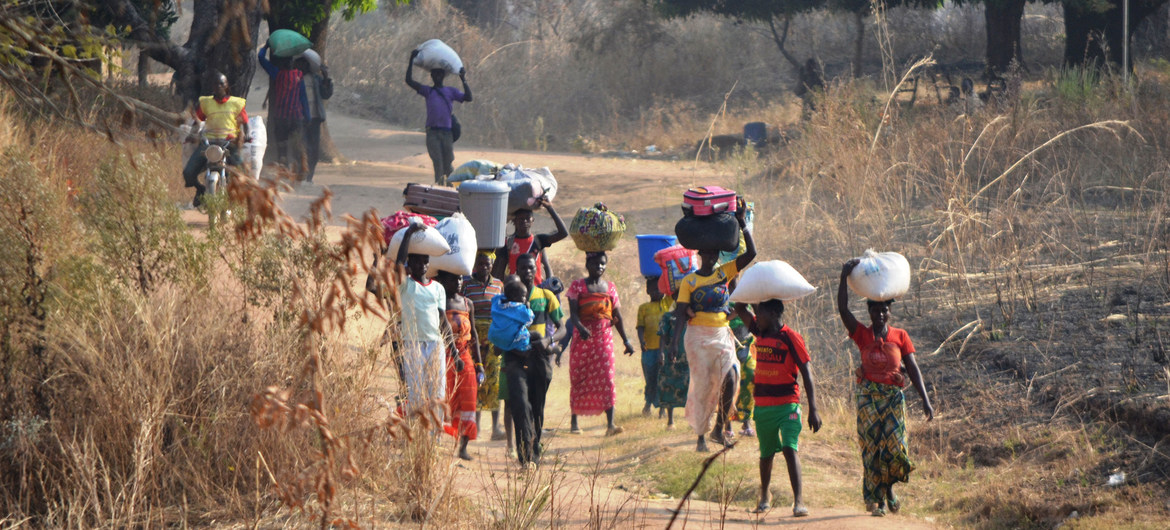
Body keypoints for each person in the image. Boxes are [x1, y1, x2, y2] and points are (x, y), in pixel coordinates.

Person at [837, 259, 934, 517]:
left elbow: (913, 369)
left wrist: (925, 399)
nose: (880, 314)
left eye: (884, 310)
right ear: (869, 311)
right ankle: (877, 499)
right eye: (875, 310)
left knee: (894, 447)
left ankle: (889, 488)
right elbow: (843, 309)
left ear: (890, 312)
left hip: (893, 399)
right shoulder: (862, 335)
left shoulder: (900, 336)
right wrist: (843, 276)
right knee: (871, 446)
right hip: (869, 399)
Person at [667, 197, 756, 452]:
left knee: (732, 375)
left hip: (721, 334)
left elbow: (751, 254)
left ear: (717, 254)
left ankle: (720, 426)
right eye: (706, 253)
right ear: (699, 254)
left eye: (714, 253)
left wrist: (742, 224)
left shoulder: (724, 273)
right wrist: (673, 345)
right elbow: (682, 314)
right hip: (696, 337)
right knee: (703, 386)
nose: (710, 256)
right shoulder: (689, 282)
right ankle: (701, 436)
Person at [734, 300, 822, 518]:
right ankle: (764, 496)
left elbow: (806, 372)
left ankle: (798, 501)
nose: (756, 316)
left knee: (790, 448)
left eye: (760, 312)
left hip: (788, 405)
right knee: (766, 454)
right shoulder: (758, 330)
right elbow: (739, 308)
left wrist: (814, 408)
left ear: (774, 314)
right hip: (763, 407)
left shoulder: (790, 337)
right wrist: (752, 294)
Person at [502, 254, 566, 466]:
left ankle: (534, 452)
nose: (527, 272)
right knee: (520, 405)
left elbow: (562, 327)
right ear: (517, 271)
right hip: (514, 358)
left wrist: (549, 340)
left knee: (537, 407)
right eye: (523, 269)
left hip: (539, 356)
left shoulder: (546, 296)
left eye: (531, 268)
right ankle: (525, 457)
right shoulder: (508, 297)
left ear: (536, 270)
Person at [566, 252, 634, 436]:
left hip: (604, 339)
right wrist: (580, 327)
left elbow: (617, 317)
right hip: (582, 339)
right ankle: (574, 421)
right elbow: (573, 314)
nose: (600, 267)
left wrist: (626, 341)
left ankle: (610, 424)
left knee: (607, 378)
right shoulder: (577, 286)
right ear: (587, 264)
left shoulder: (610, 288)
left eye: (603, 264)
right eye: (596, 263)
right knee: (579, 377)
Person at [393, 222, 456, 417]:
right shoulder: (405, 285)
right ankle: (415, 437)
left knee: (436, 392)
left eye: (425, 262)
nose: (422, 266)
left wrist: (454, 351)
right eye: (417, 262)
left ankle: (433, 440)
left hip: (435, 344)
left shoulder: (438, 288)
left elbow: (443, 320)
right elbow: (397, 265)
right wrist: (409, 234)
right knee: (415, 393)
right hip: (412, 344)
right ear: (409, 265)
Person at [464, 251, 511, 452]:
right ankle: (477, 426)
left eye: (488, 264)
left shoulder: (499, 285)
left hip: (493, 337)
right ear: (475, 265)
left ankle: (495, 427)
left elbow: (502, 309)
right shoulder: (467, 285)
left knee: (494, 380)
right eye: (481, 263)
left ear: (492, 265)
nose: (485, 267)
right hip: (473, 336)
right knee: (475, 379)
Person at [182, 72, 249, 208]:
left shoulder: (236, 103)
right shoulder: (206, 103)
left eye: (221, 84)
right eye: (216, 84)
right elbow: (198, 121)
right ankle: (200, 189)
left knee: (242, 171)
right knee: (188, 172)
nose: (219, 86)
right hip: (209, 142)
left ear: (226, 86)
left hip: (230, 143)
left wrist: (246, 135)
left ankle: (241, 198)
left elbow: (245, 123)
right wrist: (192, 134)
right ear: (212, 86)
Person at [405, 50, 471, 186]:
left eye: (440, 74)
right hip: (432, 133)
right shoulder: (428, 91)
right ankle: (441, 190)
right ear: (432, 76)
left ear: (443, 75)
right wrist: (411, 59)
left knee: (448, 165)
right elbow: (409, 81)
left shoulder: (451, 91)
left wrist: (463, 78)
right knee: (438, 164)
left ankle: (452, 190)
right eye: (435, 74)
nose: (437, 76)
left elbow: (469, 97)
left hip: (446, 133)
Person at [437, 271, 484, 461]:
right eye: (452, 278)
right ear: (443, 281)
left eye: (459, 278)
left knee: (469, 400)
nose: (457, 282)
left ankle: (463, 447)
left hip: (465, 357)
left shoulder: (467, 304)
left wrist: (479, 364)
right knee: (445, 399)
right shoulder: (439, 302)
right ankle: (438, 442)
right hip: (444, 356)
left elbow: (474, 334)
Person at [492, 197, 568, 289]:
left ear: (533, 220)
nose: (524, 221)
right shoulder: (508, 243)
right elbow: (499, 272)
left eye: (527, 218)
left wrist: (550, 208)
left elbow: (563, 233)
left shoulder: (539, 241)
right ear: (514, 221)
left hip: (536, 290)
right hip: (515, 290)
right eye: (520, 219)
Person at [258, 44, 308, 178]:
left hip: (281, 117)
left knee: (282, 145)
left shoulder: (277, 73)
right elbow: (303, 98)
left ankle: (284, 170)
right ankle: (301, 170)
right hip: (296, 116)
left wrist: (266, 46)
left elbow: (261, 59)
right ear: (292, 64)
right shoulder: (299, 75)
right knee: (297, 144)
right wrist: (307, 116)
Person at [636, 276, 672, 417]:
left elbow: (673, 291)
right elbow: (640, 327)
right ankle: (648, 404)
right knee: (650, 379)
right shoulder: (643, 308)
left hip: (664, 349)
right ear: (648, 290)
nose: (657, 291)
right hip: (648, 350)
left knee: (662, 378)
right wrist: (641, 341)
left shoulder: (667, 303)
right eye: (654, 288)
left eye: (660, 288)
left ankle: (662, 408)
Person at [656, 288, 689, 430]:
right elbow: (663, 336)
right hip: (673, 357)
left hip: (690, 358)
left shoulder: (693, 317)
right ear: (674, 297)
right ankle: (670, 421)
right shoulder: (668, 316)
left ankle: (692, 419)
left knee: (690, 388)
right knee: (670, 385)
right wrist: (661, 353)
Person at [298, 53, 333, 183]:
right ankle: (302, 175)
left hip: (315, 118)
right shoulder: (297, 78)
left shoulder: (316, 79)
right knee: (303, 148)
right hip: (300, 119)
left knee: (314, 149)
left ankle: (309, 176)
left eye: (303, 64)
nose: (300, 66)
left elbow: (326, 94)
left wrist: (326, 77)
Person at [730, 316, 756, 437]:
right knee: (729, 382)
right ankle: (727, 424)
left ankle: (747, 423)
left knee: (750, 378)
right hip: (728, 344)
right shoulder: (722, 297)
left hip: (747, 345)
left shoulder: (747, 298)